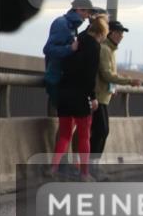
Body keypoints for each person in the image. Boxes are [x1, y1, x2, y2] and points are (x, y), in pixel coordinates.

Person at [47, 16, 109, 181]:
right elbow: (90, 76)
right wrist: (93, 97)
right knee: (84, 136)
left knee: (64, 135)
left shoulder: (76, 40)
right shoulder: (94, 47)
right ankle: (84, 174)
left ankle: (53, 168)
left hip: (64, 93)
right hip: (81, 97)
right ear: (101, 33)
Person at [91, 20, 142, 179]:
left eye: (122, 34)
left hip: (104, 97)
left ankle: (92, 166)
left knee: (102, 131)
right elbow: (106, 74)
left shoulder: (111, 50)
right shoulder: (105, 49)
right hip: (98, 97)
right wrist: (128, 81)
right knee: (101, 131)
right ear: (110, 32)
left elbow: (109, 75)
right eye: (119, 33)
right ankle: (90, 166)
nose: (121, 36)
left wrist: (116, 84)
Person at [43, 0, 94, 110]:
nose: (88, 16)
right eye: (88, 12)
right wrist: (70, 48)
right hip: (57, 80)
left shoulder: (71, 26)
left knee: (66, 120)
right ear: (79, 9)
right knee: (63, 119)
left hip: (63, 80)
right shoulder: (62, 23)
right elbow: (48, 49)